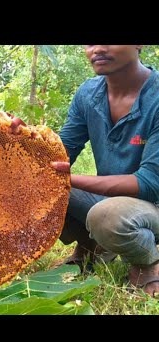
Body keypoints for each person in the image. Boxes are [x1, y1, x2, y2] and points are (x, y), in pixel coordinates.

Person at [11, 45, 159, 297]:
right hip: (112, 204)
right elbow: (60, 152)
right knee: (34, 185)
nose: (97, 49)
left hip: (151, 205)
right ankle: (91, 247)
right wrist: (21, 139)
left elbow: (149, 183)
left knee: (107, 216)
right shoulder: (89, 94)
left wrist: (69, 179)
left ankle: (148, 262)